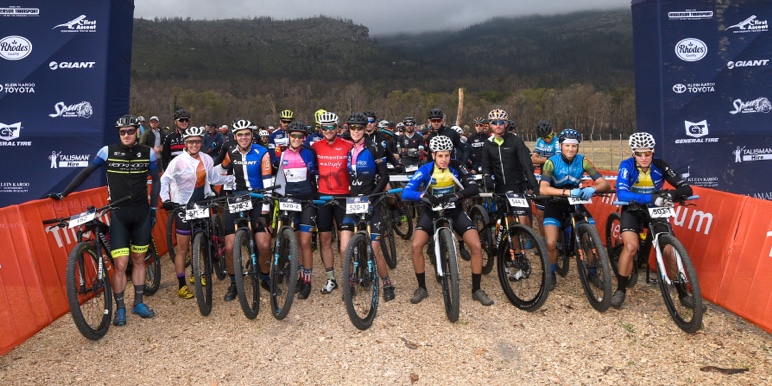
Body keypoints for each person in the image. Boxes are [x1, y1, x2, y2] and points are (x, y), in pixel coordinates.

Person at [46, 115, 160, 326]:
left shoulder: (149, 153)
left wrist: (153, 209)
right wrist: (64, 193)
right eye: (122, 132)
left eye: (130, 131)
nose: (126, 135)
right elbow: (87, 172)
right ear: (119, 134)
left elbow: (157, 181)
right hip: (119, 213)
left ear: (137, 132)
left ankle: (138, 303)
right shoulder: (107, 152)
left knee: (139, 259)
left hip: (142, 213)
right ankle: (120, 308)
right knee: (120, 263)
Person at [401, 135, 494, 306]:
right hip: (432, 211)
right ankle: (421, 287)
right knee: (416, 246)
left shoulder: (457, 166)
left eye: (447, 155)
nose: (444, 159)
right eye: (440, 156)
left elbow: (473, 187)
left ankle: (477, 289)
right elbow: (406, 193)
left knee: (476, 245)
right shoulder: (425, 169)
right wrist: (423, 195)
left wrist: (457, 195)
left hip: (454, 209)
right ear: (433, 155)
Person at [612, 132, 696, 309]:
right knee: (630, 247)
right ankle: (620, 289)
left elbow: (686, 189)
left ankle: (683, 294)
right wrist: (652, 197)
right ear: (633, 153)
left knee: (670, 251)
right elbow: (622, 193)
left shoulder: (660, 165)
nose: (643, 158)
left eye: (647, 153)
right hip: (632, 209)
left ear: (653, 152)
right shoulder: (626, 165)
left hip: (656, 210)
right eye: (639, 154)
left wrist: (669, 194)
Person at [159, 126, 234, 299]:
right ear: (186, 143)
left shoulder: (207, 159)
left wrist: (234, 178)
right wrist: (167, 200)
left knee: (199, 242)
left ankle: (196, 272)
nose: (194, 144)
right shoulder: (178, 161)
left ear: (201, 142)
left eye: (198, 141)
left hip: (201, 204)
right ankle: (182, 285)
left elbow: (214, 178)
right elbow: (165, 181)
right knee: (183, 248)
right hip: (183, 207)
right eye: (191, 141)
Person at [538, 128, 611, 291]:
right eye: (567, 146)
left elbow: (604, 183)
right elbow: (543, 188)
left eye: (574, 146)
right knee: (550, 242)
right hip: (555, 203)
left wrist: (593, 189)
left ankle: (592, 272)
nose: (571, 149)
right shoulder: (551, 162)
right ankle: (550, 273)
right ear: (561, 146)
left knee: (592, 238)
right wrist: (567, 192)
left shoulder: (583, 161)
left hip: (576, 203)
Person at [218, 118, 274, 301]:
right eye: (240, 135)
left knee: (264, 244)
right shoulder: (231, 151)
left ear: (252, 135)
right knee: (229, 246)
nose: (243, 137)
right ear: (235, 137)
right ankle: (234, 282)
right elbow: (220, 170)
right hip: (237, 198)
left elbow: (268, 182)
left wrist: (266, 210)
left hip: (258, 198)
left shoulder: (262, 152)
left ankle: (265, 277)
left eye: (247, 134)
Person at [346, 114, 396, 301]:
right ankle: (349, 281)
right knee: (347, 248)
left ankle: (387, 282)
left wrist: (373, 195)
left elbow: (384, 176)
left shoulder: (374, 148)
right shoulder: (346, 148)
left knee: (374, 251)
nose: (356, 131)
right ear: (349, 129)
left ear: (364, 129)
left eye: (359, 128)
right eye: (353, 128)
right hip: (351, 202)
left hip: (372, 201)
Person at [274, 122, 319, 299]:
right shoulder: (281, 154)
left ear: (304, 138)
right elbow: (277, 177)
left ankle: (307, 280)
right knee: (295, 242)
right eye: (293, 136)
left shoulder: (309, 153)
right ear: (289, 136)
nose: (296, 139)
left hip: (307, 201)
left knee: (305, 242)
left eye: (300, 136)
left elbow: (317, 174)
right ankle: (298, 277)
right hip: (289, 201)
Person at [312, 112, 355, 294]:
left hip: (344, 197)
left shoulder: (348, 146)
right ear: (320, 129)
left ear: (338, 128)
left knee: (345, 245)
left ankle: (349, 279)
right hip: (322, 198)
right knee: (325, 240)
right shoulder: (314, 146)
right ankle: (331, 278)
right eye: (324, 127)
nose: (328, 130)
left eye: (331, 127)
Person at [531, 120, 560, 238]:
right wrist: (549, 159)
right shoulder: (539, 141)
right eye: (544, 138)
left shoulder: (557, 142)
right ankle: (543, 241)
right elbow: (533, 159)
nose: (547, 139)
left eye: (548, 136)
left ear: (552, 133)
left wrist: (542, 159)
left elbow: (557, 160)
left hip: (556, 181)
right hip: (544, 179)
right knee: (539, 215)